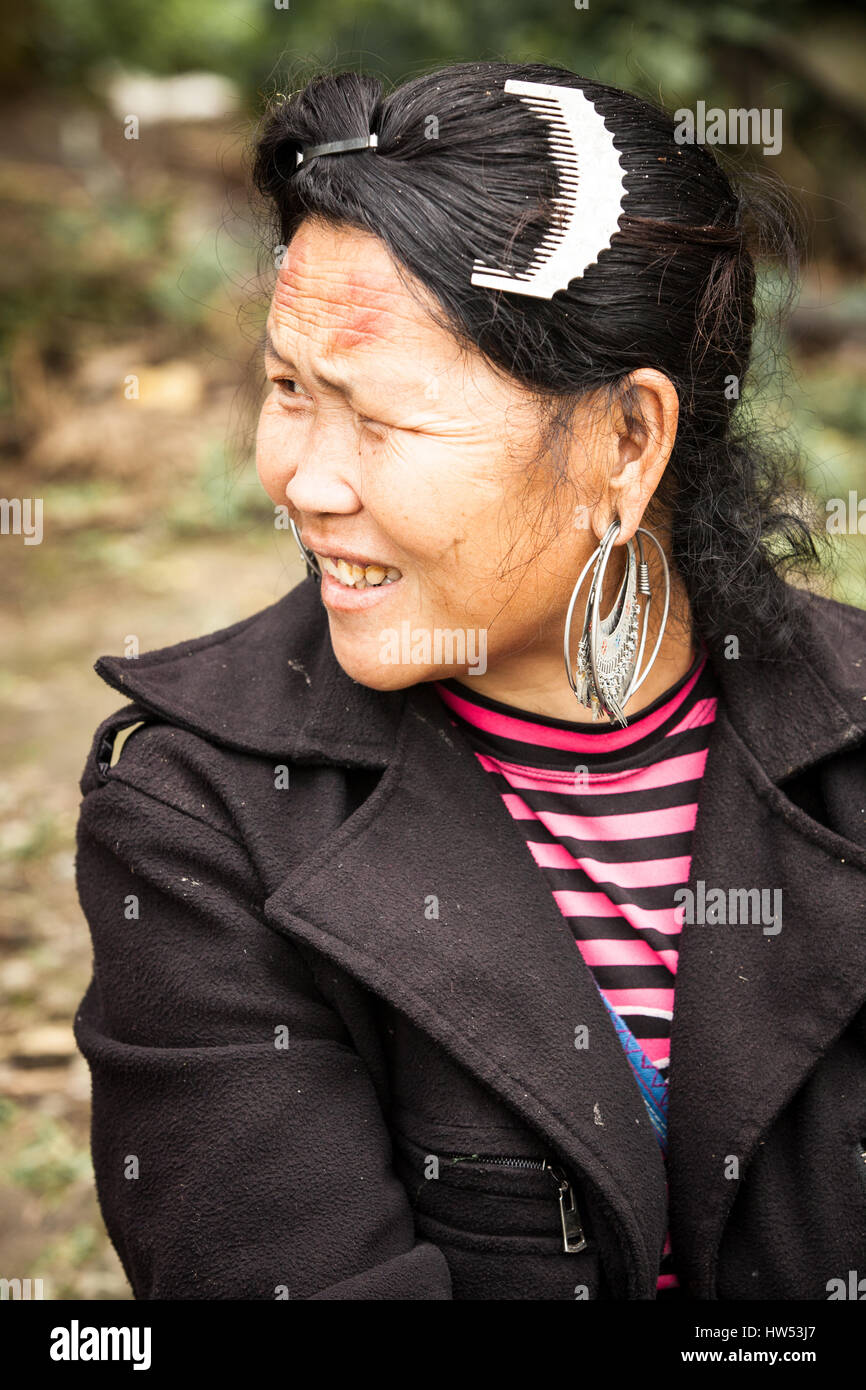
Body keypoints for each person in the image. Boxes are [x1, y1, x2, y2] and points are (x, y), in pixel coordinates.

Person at [73, 60, 866, 1300]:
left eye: (380, 420)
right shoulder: (203, 817)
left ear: (625, 439)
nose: (298, 479)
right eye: (288, 389)